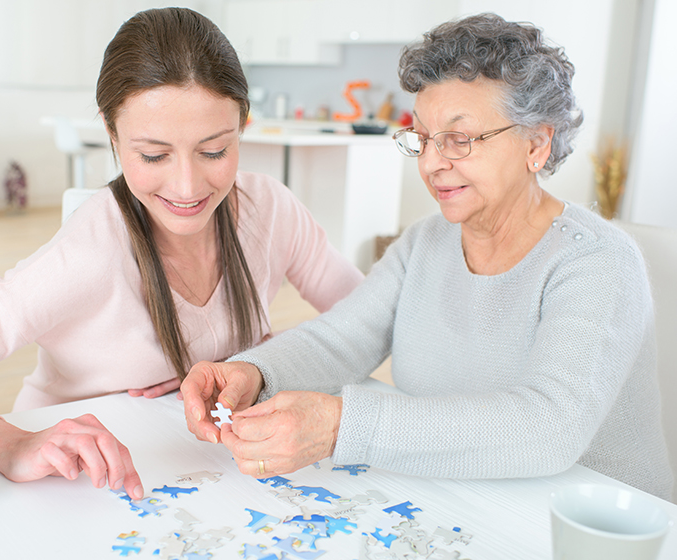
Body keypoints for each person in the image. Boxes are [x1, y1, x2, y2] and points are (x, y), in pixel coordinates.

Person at [0, 7, 363, 500]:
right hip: (77, 485)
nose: (187, 187)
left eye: (213, 151)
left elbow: (371, 322)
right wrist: (6, 442)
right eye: (153, 155)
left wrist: (256, 362)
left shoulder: (269, 209)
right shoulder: (89, 253)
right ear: (111, 133)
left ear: (243, 124)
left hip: (206, 476)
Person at [182, 13, 674, 501]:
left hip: (598, 521)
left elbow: (548, 429)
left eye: (459, 139)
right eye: (422, 139)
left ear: (537, 143)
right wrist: (251, 371)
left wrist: (340, 426)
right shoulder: (424, 244)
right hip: (471, 502)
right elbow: (339, 339)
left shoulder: (598, 263)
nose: (432, 162)